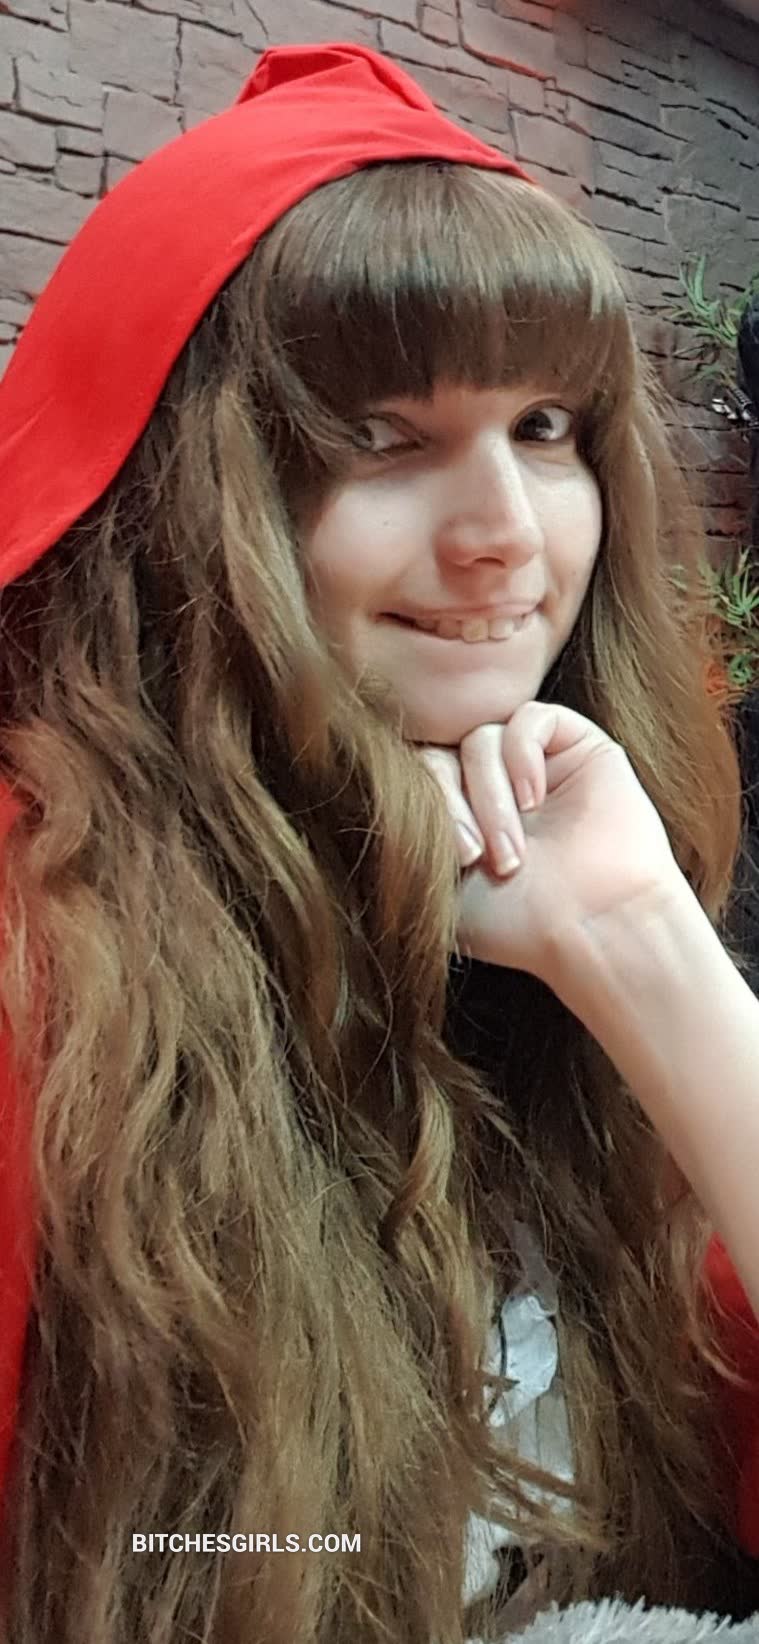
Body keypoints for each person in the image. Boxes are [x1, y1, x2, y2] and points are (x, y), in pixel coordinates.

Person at [0, 37, 758, 1644]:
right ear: (183, 500)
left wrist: (643, 949)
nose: (507, 538)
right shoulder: (36, 952)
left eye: (547, 426)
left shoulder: (572, 853)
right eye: (379, 438)